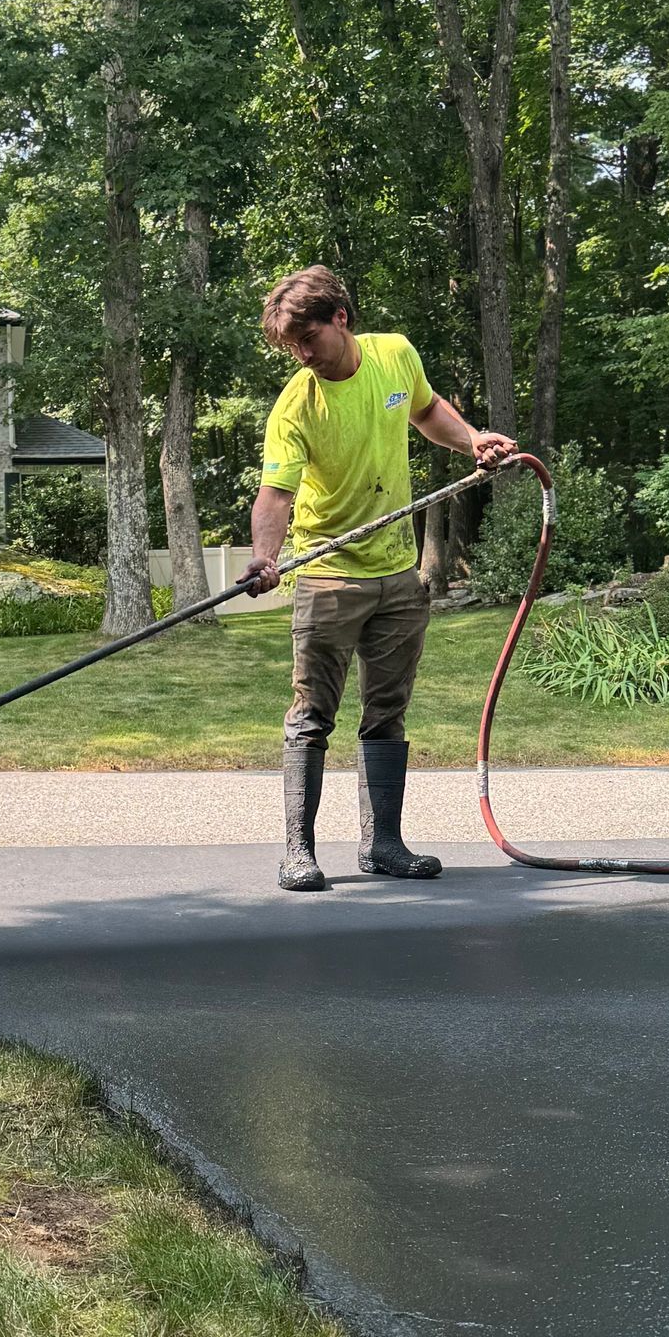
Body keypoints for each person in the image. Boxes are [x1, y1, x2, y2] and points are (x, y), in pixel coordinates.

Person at [241, 268, 515, 891]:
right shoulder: (297, 402)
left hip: (398, 573)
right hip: (329, 574)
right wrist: (265, 556)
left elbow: (426, 410)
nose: (302, 354)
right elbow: (275, 494)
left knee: (386, 714)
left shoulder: (394, 355)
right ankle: (298, 853)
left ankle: (383, 845)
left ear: (341, 317)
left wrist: (471, 440)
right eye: (291, 346)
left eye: (308, 337)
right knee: (313, 715)